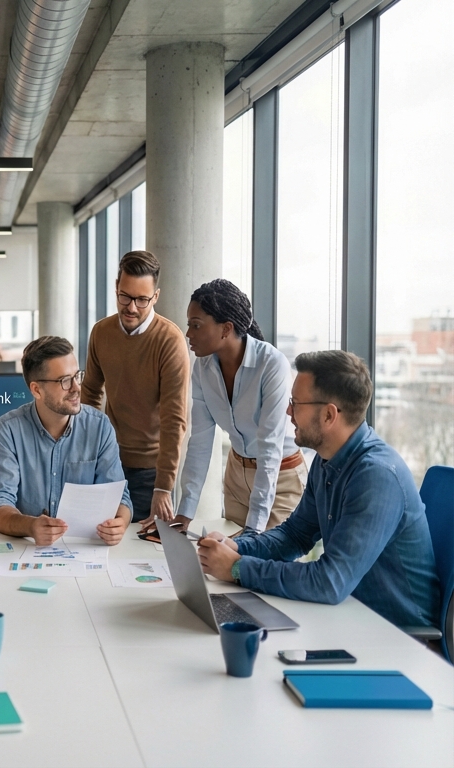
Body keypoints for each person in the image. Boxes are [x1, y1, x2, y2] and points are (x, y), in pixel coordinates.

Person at [198, 350, 439, 629]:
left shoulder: (377, 476)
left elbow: (330, 582)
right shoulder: (327, 459)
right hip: (350, 614)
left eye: (296, 403)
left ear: (328, 415)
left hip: (396, 633)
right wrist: (237, 547)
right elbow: (295, 535)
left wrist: (238, 568)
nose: (288, 412)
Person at [176, 279, 306, 535]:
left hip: (280, 480)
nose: (188, 333)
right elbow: (200, 441)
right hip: (236, 476)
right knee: (226, 560)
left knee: (264, 557)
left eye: (196, 325)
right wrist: (185, 512)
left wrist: (254, 529)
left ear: (226, 328)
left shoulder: (272, 365)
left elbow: (269, 447)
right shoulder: (202, 368)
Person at [0, 335, 132, 546]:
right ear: (37, 390)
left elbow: (120, 497)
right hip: (27, 548)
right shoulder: (9, 429)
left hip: (85, 548)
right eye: (64, 381)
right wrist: (30, 526)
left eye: (77, 376)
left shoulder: (99, 427)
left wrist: (120, 523)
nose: (76, 387)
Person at [82, 250, 190, 523]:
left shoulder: (169, 340)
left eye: (142, 300)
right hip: (107, 462)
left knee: (142, 545)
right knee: (100, 537)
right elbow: (90, 393)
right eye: (125, 296)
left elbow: (174, 419)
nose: (131, 307)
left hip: (151, 471)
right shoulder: (101, 332)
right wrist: (89, 452)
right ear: (116, 287)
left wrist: (163, 487)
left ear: (155, 296)